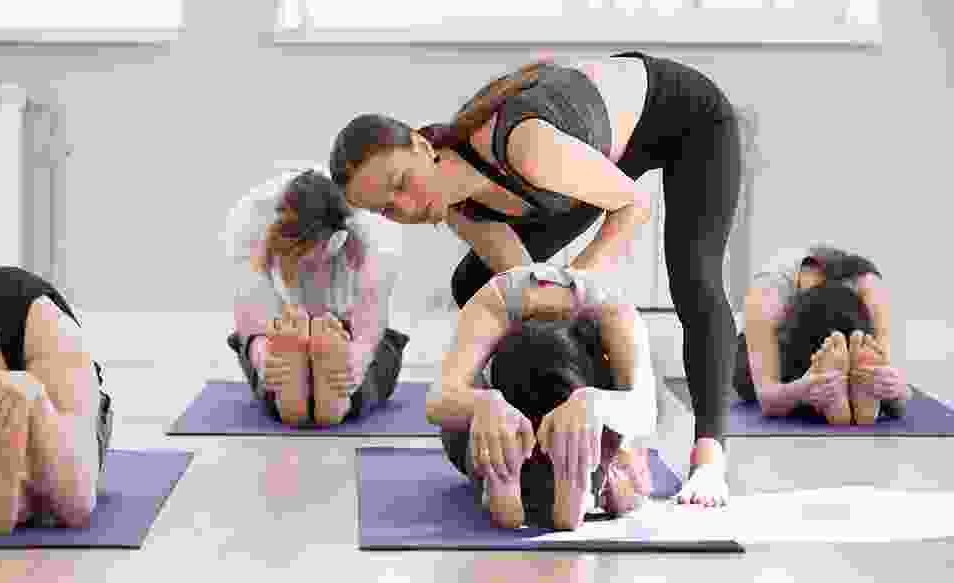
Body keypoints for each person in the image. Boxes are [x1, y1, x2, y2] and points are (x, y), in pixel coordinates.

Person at [330, 52, 740, 506]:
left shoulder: (526, 148)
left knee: (695, 280)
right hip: (595, 150)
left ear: (422, 146)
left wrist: (575, 289)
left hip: (683, 117)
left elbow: (632, 206)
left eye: (401, 183)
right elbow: (521, 285)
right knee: (476, 283)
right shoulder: (458, 207)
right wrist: (484, 403)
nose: (405, 208)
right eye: (387, 209)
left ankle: (709, 459)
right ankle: (542, 418)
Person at [426, 263, 658, 530]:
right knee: (474, 427)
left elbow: (644, 410)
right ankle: (513, 470)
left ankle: (577, 471)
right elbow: (438, 400)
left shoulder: (615, 314)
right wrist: (485, 404)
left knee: (627, 473)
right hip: (508, 414)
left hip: (581, 407)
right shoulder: (493, 303)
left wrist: (596, 404)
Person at [0, 266, 113, 535]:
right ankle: (32, 416)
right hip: (33, 323)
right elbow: (78, 505)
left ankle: (2, 492)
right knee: (73, 484)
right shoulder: (46, 319)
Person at [224, 168, 410, 427]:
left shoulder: (375, 231)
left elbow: (369, 320)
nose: (305, 272)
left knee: (370, 345)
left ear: (337, 241)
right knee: (382, 354)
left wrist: (357, 356)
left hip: (334, 329)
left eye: (311, 264)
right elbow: (251, 313)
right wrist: (264, 353)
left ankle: (284, 397)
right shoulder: (251, 222)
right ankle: (343, 400)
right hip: (285, 330)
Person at [736, 245, 909, 425]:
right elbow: (767, 398)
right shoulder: (767, 294)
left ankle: (843, 383)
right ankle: (826, 383)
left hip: (840, 347)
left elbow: (890, 378)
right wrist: (800, 391)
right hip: (770, 352)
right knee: (748, 379)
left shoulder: (870, 288)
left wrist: (896, 390)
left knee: (875, 372)